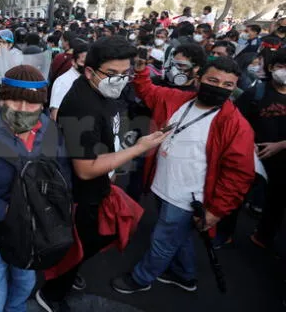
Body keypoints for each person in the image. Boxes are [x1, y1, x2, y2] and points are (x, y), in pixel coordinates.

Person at [36, 37, 167, 311]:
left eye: (125, 73)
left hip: (102, 185)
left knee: (95, 238)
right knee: (84, 242)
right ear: (89, 71)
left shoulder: (107, 94)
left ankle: (68, 273)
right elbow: (84, 170)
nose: (119, 80)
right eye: (111, 74)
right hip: (81, 194)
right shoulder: (82, 105)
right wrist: (138, 149)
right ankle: (51, 295)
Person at [111, 56, 255, 294]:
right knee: (181, 236)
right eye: (213, 80)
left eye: (227, 85)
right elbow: (148, 91)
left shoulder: (236, 126)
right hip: (161, 185)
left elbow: (239, 175)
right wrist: (140, 71)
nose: (219, 88)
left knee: (162, 241)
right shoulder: (179, 100)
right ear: (198, 79)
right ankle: (184, 275)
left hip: (187, 199)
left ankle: (141, 278)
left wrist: (217, 210)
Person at [0, 65, 72, 312]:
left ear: (42, 105)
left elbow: (62, 173)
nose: (23, 110)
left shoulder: (50, 131)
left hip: (31, 231)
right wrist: (7, 211)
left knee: (25, 281)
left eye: (31, 104)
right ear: (1, 99)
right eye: (14, 101)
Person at [241, 48, 286, 251]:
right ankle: (223, 234)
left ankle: (263, 236)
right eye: (280, 67)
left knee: (276, 202)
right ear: (270, 68)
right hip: (250, 156)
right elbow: (237, 122)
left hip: (282, 161)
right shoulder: (256, 92)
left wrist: (281, 145)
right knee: (236, 195)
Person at [49, 38, 88, 120]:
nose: (87, 66)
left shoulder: (88, 78)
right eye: (83, 62)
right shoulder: (63, 82)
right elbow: (55, 115)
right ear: (73, 62)